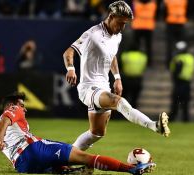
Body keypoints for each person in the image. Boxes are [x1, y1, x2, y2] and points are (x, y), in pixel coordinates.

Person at [0, 91, 156, 174]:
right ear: (14, 104)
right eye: (22, 105)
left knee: (57, 163)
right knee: (84, 157)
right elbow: (7, 117)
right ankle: (131, 169)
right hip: (33, 150)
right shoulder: (12, 111)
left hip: (23, 167)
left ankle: (67, 171)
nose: (24, 109)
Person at [63, 0, 170, 153]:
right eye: (120, 23)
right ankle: (154, 125)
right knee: (117, 101)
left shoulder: (117, 36)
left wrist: (117, 78)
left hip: (104, 86)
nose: (122, 27)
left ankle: (68, 156)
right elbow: (69, 52)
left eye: (125, 24)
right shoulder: (92, 34)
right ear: (111, 16)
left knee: (97, 133)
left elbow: (112, 56)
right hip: (89, 88)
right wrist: (71, 69)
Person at [169, 41, 194, 122]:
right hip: (187, 83)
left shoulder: (179, 58)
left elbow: (176, 71)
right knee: (185, 103)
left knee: (175, 102)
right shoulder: (191, 57)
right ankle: (185, 119)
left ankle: (172, 118)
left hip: (179, 83)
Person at [120, 44, 148, 108]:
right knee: (134, 98)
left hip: (126, 79)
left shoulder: (125, 55)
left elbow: (121, 65)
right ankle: (133, 112)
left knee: (124, 97)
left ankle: (122, 113)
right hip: (137, 79)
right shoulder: (143, 56)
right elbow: (144, 67)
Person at [131, 0, 157, 66]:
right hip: (149, 26)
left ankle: (136, 61)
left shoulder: (135, 2)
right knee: (148, 46)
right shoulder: (153, 3)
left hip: (137, 26)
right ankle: (149, 62)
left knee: (137, 45)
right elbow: (156, 14)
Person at [164, 0, 188, 68]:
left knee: (170, 45)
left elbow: (164, 10)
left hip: (171, 22)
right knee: (180, 44)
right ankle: (181, 63)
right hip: (180, 22)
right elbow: (189, 8)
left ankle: (168, 63)